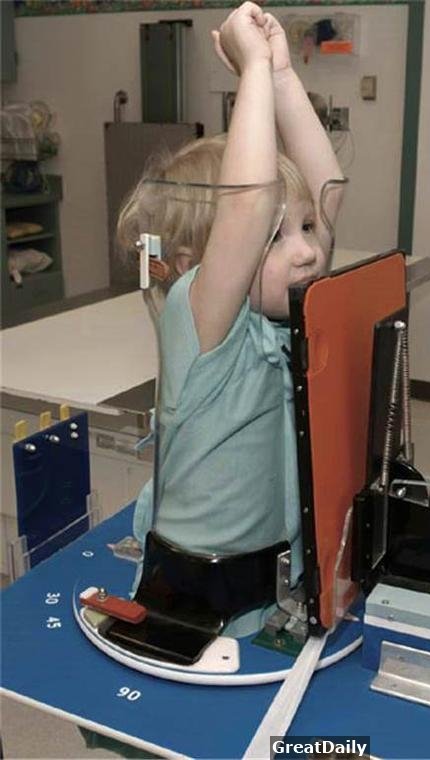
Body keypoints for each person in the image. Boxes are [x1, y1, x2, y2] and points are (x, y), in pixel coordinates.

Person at [117, 3, 345, 639]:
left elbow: (327, 188)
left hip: (271, 581)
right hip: (197, 593)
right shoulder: (199, 323)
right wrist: (251, 72)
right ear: (195, 265)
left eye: (304, 229)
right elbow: (247, 208)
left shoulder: (281, 313)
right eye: (277, 238)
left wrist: (281, 74)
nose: (308, 251)